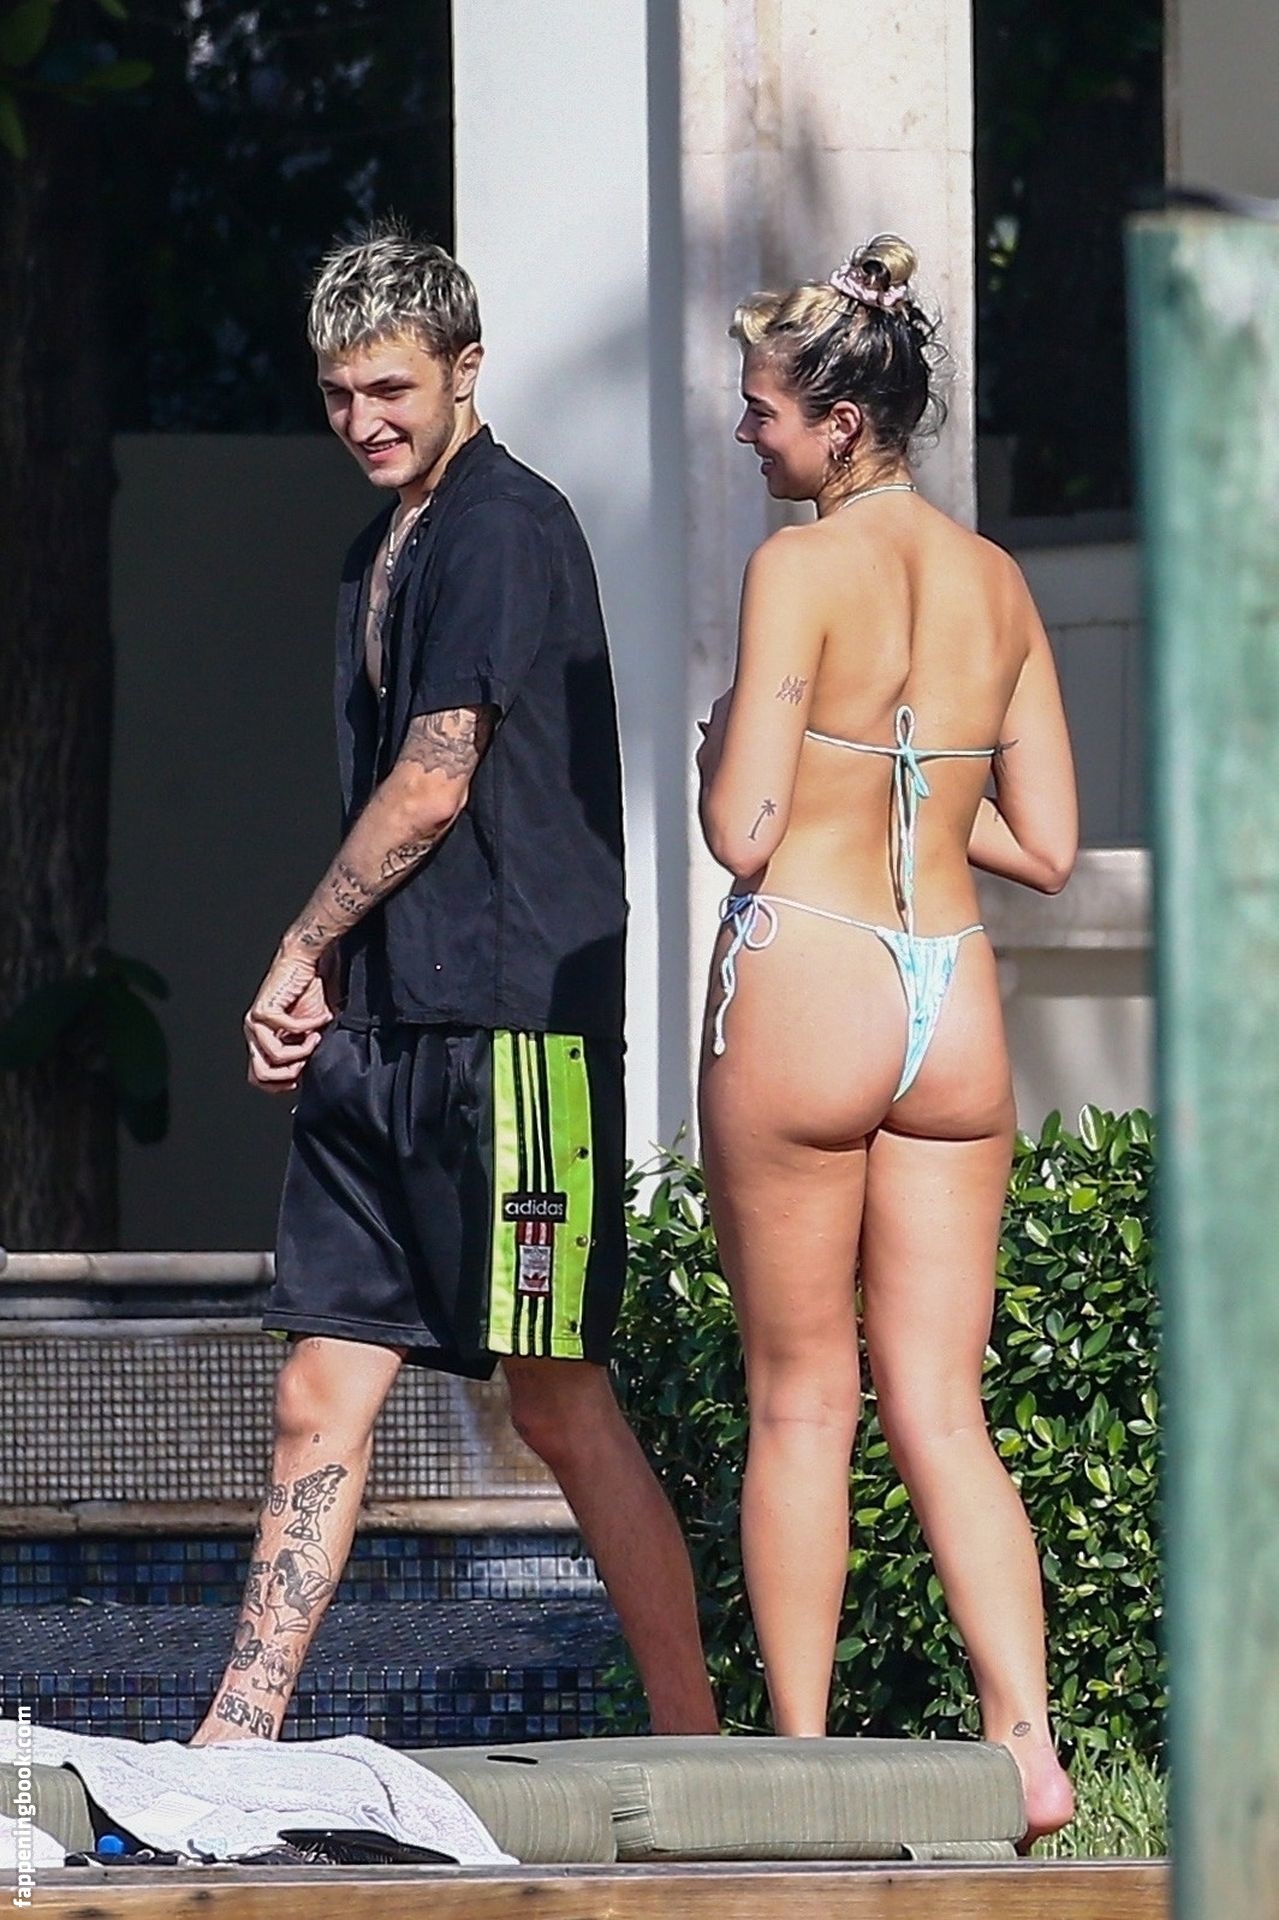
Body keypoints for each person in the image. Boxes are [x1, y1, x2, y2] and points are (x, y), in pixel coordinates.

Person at [191, 223, 715, 1745]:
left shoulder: (504, 527)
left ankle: (700, 1749)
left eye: (391, 389)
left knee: (556, 1400)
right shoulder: (378, 552)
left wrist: (297, 948)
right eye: (338, 393)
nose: (362, 420)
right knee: (319, 1391)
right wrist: (334, 980)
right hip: (382, 1039)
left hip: (517, 1041)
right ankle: (236, 1741)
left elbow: (435, 780)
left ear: (465, 370)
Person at [694, 234, 1078, 1839]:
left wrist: (737, 750)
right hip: (950, 990)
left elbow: (743, 829)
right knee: (944, 1403)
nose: (745, 432)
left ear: (841, 423)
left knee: (803, 1399)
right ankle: (1030, 1749)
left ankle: (800, 1764)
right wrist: (910, 784)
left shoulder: (797, 572)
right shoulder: (998, 580)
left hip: (814, 973)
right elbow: (1047, 843)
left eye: (763, 409)